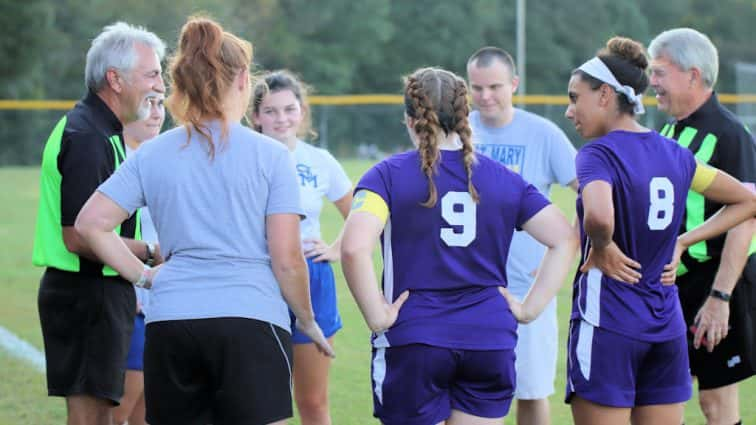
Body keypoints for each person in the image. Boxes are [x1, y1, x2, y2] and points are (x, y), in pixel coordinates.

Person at [74, 16, 334, 425]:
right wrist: (306, 320)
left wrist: (144, 276)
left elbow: (91, 224)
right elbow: (287, 260)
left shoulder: (153, 152)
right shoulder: (271, 156)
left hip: (172, 322)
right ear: (244, 79)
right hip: (250, 319)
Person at [341, 67, 577, 425]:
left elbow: (353, 248)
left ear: (409, 118)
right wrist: (529, 309)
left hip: (416, 339)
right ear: (466, 116)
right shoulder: (504, 178)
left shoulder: (386, 175)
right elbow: (564, 238)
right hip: (488, 339)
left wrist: (377, 316)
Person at [563, 36, 756, 425]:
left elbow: (599, 216)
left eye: (574, 97)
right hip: (665, 318)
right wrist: (681, 242)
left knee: (717, 403)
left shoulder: (598, 153)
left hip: (612, 321)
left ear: (604, 96)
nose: (568, 111)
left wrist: (600, 245)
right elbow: (748, 199)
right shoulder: (674, 148)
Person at [31, 22, 165, 425]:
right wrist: (153, 255)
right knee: (89, 417)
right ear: (115, 79)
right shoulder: (87, 135)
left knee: (104, 416)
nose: (159, 83)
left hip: (100, 291)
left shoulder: (103, 130)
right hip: (85, 291)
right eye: (152, 73)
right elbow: (78, 235)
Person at [648, 27, 756, 425]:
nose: (652, 82)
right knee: (664, 394)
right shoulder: (670, 130)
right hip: (675, 283)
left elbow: (747, 216)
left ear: (693, 75)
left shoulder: (729, 134)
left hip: (715, 281)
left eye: (660, 72)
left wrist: (720, 298)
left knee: (716, 401)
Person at [466, 46, 578, 425]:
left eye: (495, 86)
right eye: (477, 88)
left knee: (530, 391)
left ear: (514, 84)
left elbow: (590, 193)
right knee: (469, 393)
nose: (485, 96)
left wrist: (570, 249)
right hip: (467, 286)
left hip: (527, 288)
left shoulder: (542, 133)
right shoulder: (460, 131)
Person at [251, 70, 352, 425]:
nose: (281, 119)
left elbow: (361, 213)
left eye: (289, 109)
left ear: (302, 111)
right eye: (271, 110)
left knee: (312, 401)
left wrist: (337, 248)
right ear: (255, 116)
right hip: (260, 279)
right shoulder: (246, 157)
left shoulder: (319, 161)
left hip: (312, 278)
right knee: (263, 400)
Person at [111, 94, 165, 425]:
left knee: (152, 409)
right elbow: (93, 232)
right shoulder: (114, 160)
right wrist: (130, 281)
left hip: (167, 298)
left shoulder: (170, 157)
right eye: (147, 104)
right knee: (122, 410)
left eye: (160, 104)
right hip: (132, 298)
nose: (155, 113)